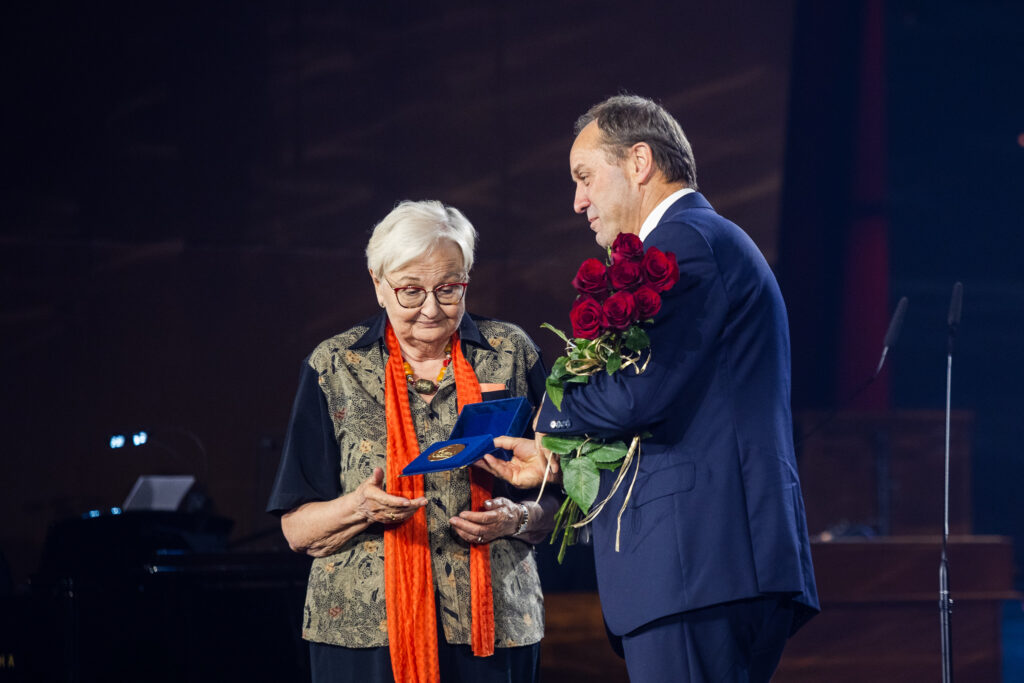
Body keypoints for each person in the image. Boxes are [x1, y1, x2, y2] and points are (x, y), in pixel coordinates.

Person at [486, 95, 820, 682]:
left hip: (698, 565)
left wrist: (550, 417)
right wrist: (560, 467)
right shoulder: (707, 240)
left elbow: (642, 393)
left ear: (639, 162)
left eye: (585, 177)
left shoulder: (686, 241)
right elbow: (678, 409)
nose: (578, 201)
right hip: (711, 566)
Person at [266, 199, 555, 683]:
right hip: (364, 633)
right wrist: (359, 506)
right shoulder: (334, 366)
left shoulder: (511, 353)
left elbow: (562, 496)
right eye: (410, 291)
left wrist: (516, 517)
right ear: (378, 285)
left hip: (495, 624)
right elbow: (296, 530)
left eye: (448, 289)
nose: (430, 308)